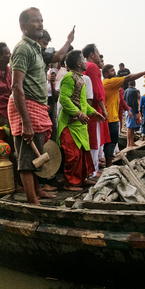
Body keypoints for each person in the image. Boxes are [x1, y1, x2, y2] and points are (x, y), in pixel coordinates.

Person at [8, 7, 56, 205]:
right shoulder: (22, 49)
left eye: (41, 20)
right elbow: (16, 86)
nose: (40, 24)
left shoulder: (35, 48)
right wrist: (26, 123)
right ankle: (32, 203)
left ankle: (37, 191)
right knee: (27, 161)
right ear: (23, 26)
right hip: (25, 107)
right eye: (36, 21)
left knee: (35, 153)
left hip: (35, 106)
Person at [57, 50, 105, 191]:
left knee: (83, 154)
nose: (85, 62)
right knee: (72, 155)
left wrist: (94, 112)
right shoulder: (68, 78)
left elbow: (83, 103)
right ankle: (70, 183)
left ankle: (81, 179)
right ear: (78, 64)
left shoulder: (81, 79)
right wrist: (78, 113)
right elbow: (64, 99)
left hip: (79, 125)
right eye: (83, 60)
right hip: (69, 125)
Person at [102, 64, 145, 166]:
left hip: (113, 116)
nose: (115, 72)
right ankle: (109, 165)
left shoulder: (111, 85)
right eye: (112, 71)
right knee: (111, 142)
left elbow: (122, 100)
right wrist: (144, 73)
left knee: (111, 142)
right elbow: (128, 77)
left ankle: (109, 163)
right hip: (111, 118)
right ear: (106, 74)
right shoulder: (109, 82)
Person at [82, 44, 109, 176]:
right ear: (92, 54)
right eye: (97, 52)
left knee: (92, 137)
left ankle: (92, 167)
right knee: (94, 138)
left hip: (87, 106)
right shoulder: (92, 67)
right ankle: (93, 170)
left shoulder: (86, 66)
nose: (99, 55)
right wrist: (103, 109)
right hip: (94, 108)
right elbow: (97, 91)